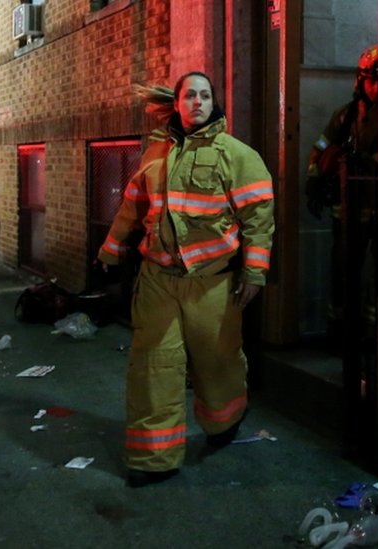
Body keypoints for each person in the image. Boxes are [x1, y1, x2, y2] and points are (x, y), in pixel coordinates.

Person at [96, 72, 275, 487]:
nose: (197, 101)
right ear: (176, 103)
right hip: (158, 278)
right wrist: (111, 248)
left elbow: (259, 220)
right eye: (189, 95)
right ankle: (152, 458)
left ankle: (225, 419)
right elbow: (133, 205)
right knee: (153, 366)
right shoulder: (155, 151)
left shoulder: (238, 155)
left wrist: (254, 272)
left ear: (215, 102)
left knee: (217, 361)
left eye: (205, 95)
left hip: (212, 283)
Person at [304, 45, 378, 345]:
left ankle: (374, 337)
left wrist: (372, 162)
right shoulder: (346, 116)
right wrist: (313, 183)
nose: (375, 88)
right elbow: (321, 148)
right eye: (370, 80)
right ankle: (339, 332)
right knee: (342, 271)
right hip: (348, 208)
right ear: (360, 80)